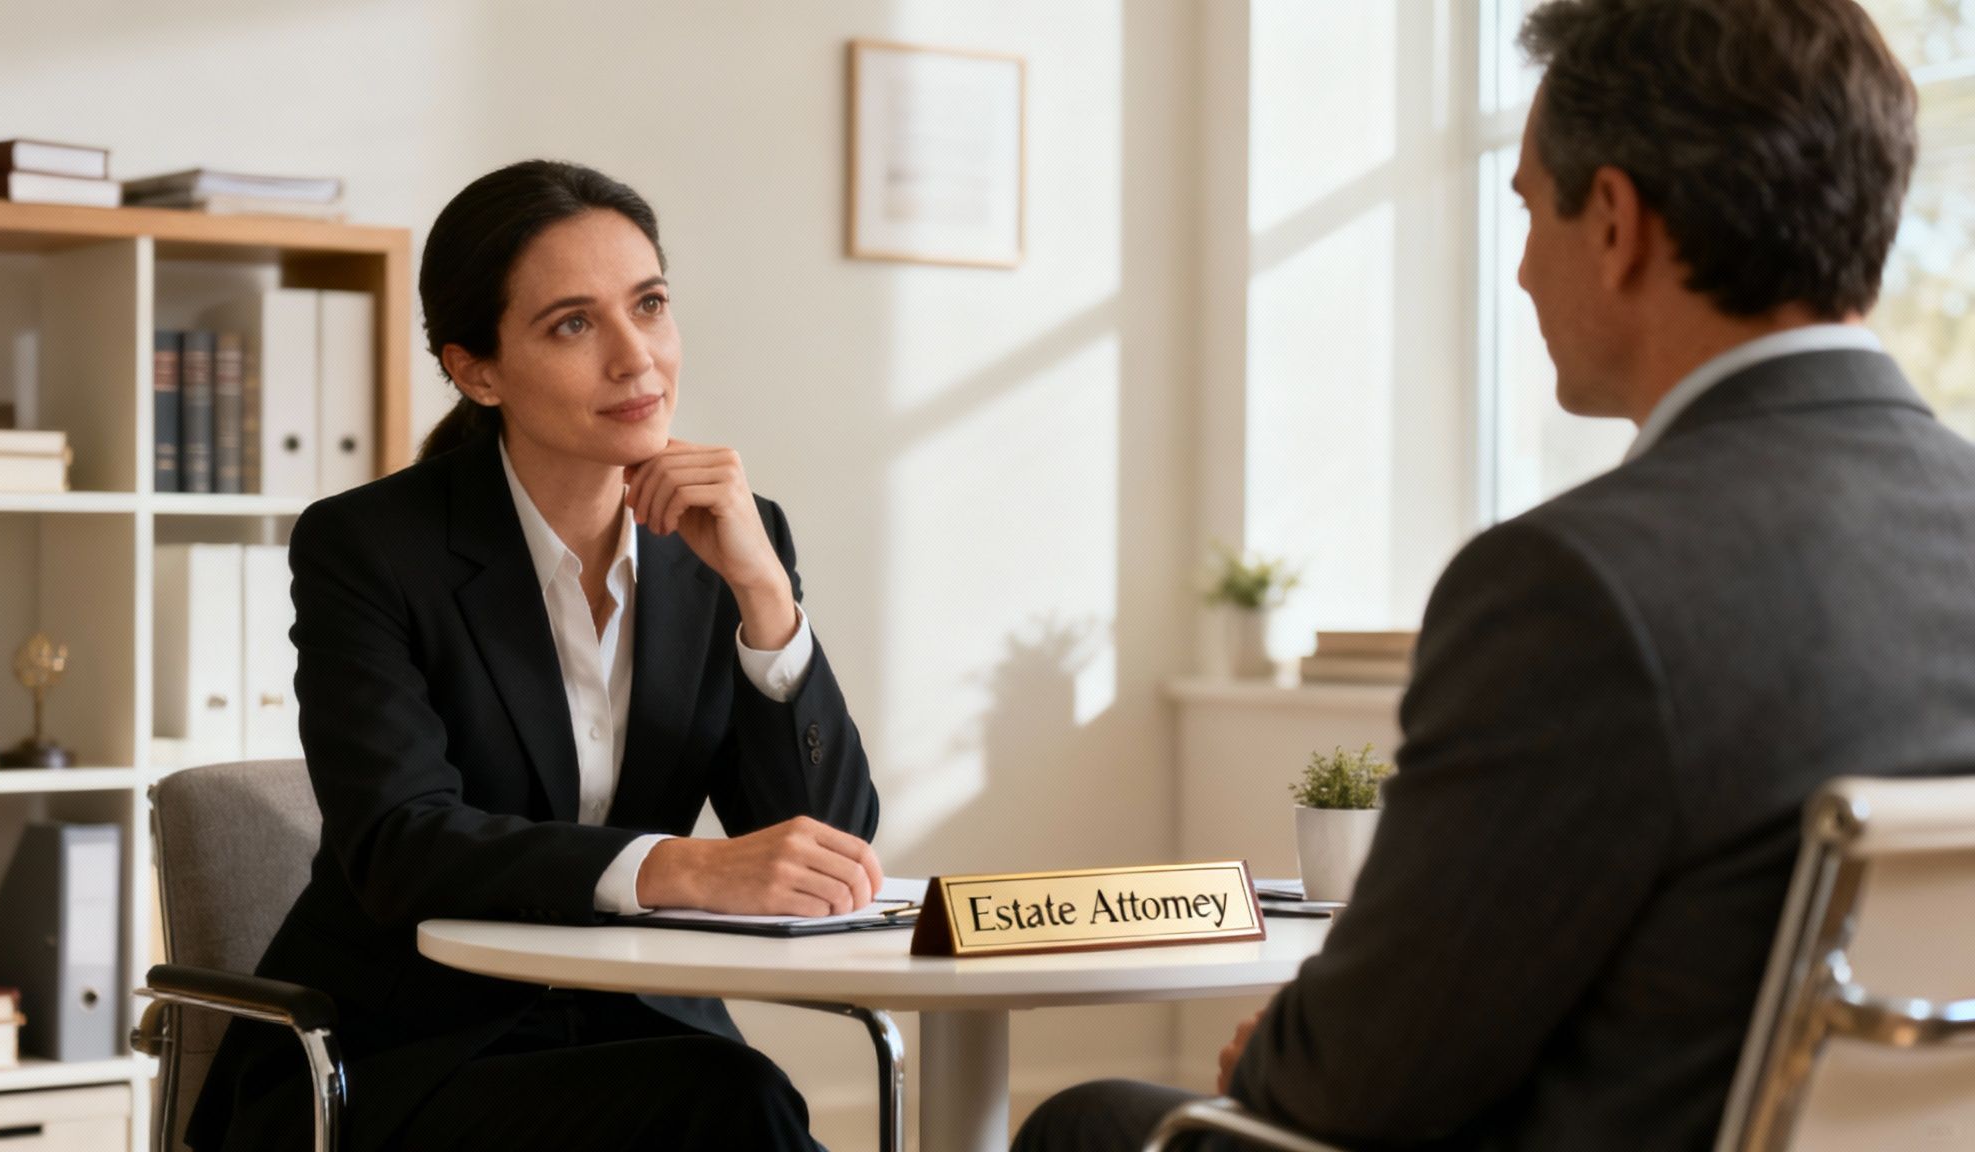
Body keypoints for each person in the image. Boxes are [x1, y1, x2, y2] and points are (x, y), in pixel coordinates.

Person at [1016, 1, 1975, 1149]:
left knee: (1090, 1123)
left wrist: (1281, 1048)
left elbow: (1355, 1080)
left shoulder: (1574, 585)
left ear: (1613, 221)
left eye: (1526, 209)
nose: (1519, 271)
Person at [188, 160, 879, 1152]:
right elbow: (401, 843)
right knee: (728, 1106)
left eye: (649, 305)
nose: (636, 359)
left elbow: (827, 847)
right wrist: (679, 867)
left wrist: (763, 596)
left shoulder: (730, 534)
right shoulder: (369, 547)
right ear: (475, 368)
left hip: (638, 1031)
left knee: (726, 1098)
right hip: (398, 1058)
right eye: (572, 323)